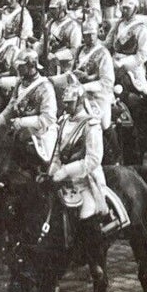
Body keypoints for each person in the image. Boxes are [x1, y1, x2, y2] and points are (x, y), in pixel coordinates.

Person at [46, 76, 124, 239]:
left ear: (79, 101)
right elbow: (57, 150)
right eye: (65, 102)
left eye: (69, 103)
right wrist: (53, 166)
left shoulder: (91, 124)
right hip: (63, 176)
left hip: (86, 179)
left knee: (86, 212)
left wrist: (66, 170)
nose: (66, 106)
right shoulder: (64, 121)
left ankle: (93, 257)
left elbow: (93, 159)